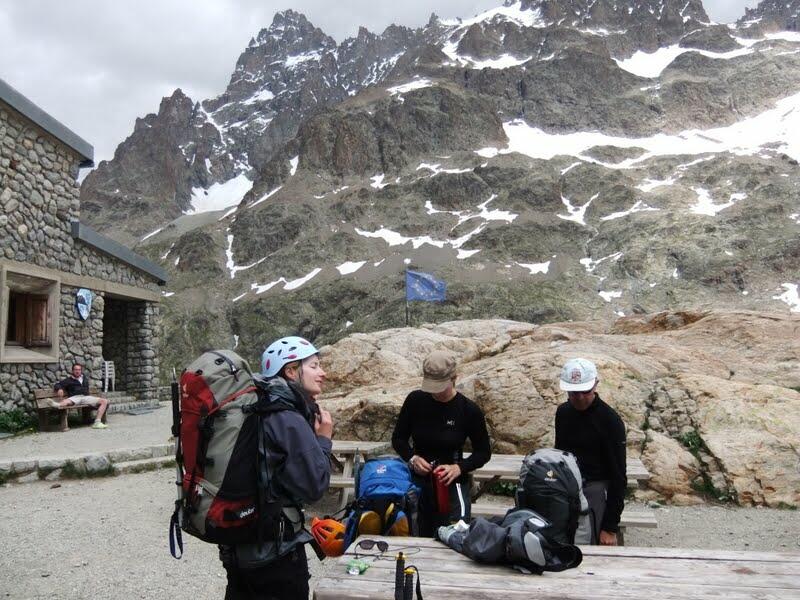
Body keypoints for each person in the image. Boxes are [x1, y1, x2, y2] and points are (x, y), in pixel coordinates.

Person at [219, 335, 333, 600]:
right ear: (291, 371)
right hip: (275, 554)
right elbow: (314, 487)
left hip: (237, 547)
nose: (323, 373)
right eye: (314, 366)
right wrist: (323, 440)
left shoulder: (253, 407)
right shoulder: (286, 417)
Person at [392, 350, 491, 537]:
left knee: (456, 535)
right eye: (431, 386)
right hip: (418, 480)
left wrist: (459, 468)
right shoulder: (415, 401)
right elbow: (398, 439)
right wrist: (413, 458)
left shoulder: (468, 410)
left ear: (454, 378)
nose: (435, 392)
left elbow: (483, 452)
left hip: (453, 481)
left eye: (440, 387)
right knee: (415, 533)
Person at [554, 358, 626, 546]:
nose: (579, 397)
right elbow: (560, 455)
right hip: (566, 489)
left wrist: (610, 527)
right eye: (573, 392)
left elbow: (618, 477)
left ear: (595, 384)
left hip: (596, 492)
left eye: (584, 391)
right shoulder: (563, 413)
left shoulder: (610, 421)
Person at [52, 363, 109, 429]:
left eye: (79, 370)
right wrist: (59, 389)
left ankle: (97, 422)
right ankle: (57, 405)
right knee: (67, 401)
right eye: (76, 369)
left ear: (81, 371)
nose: (77, 371)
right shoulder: (69, 380)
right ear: (72, 371)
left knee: (104, 401)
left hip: (85, 397)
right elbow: (57, 385)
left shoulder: (84, 378)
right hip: (75, 397)